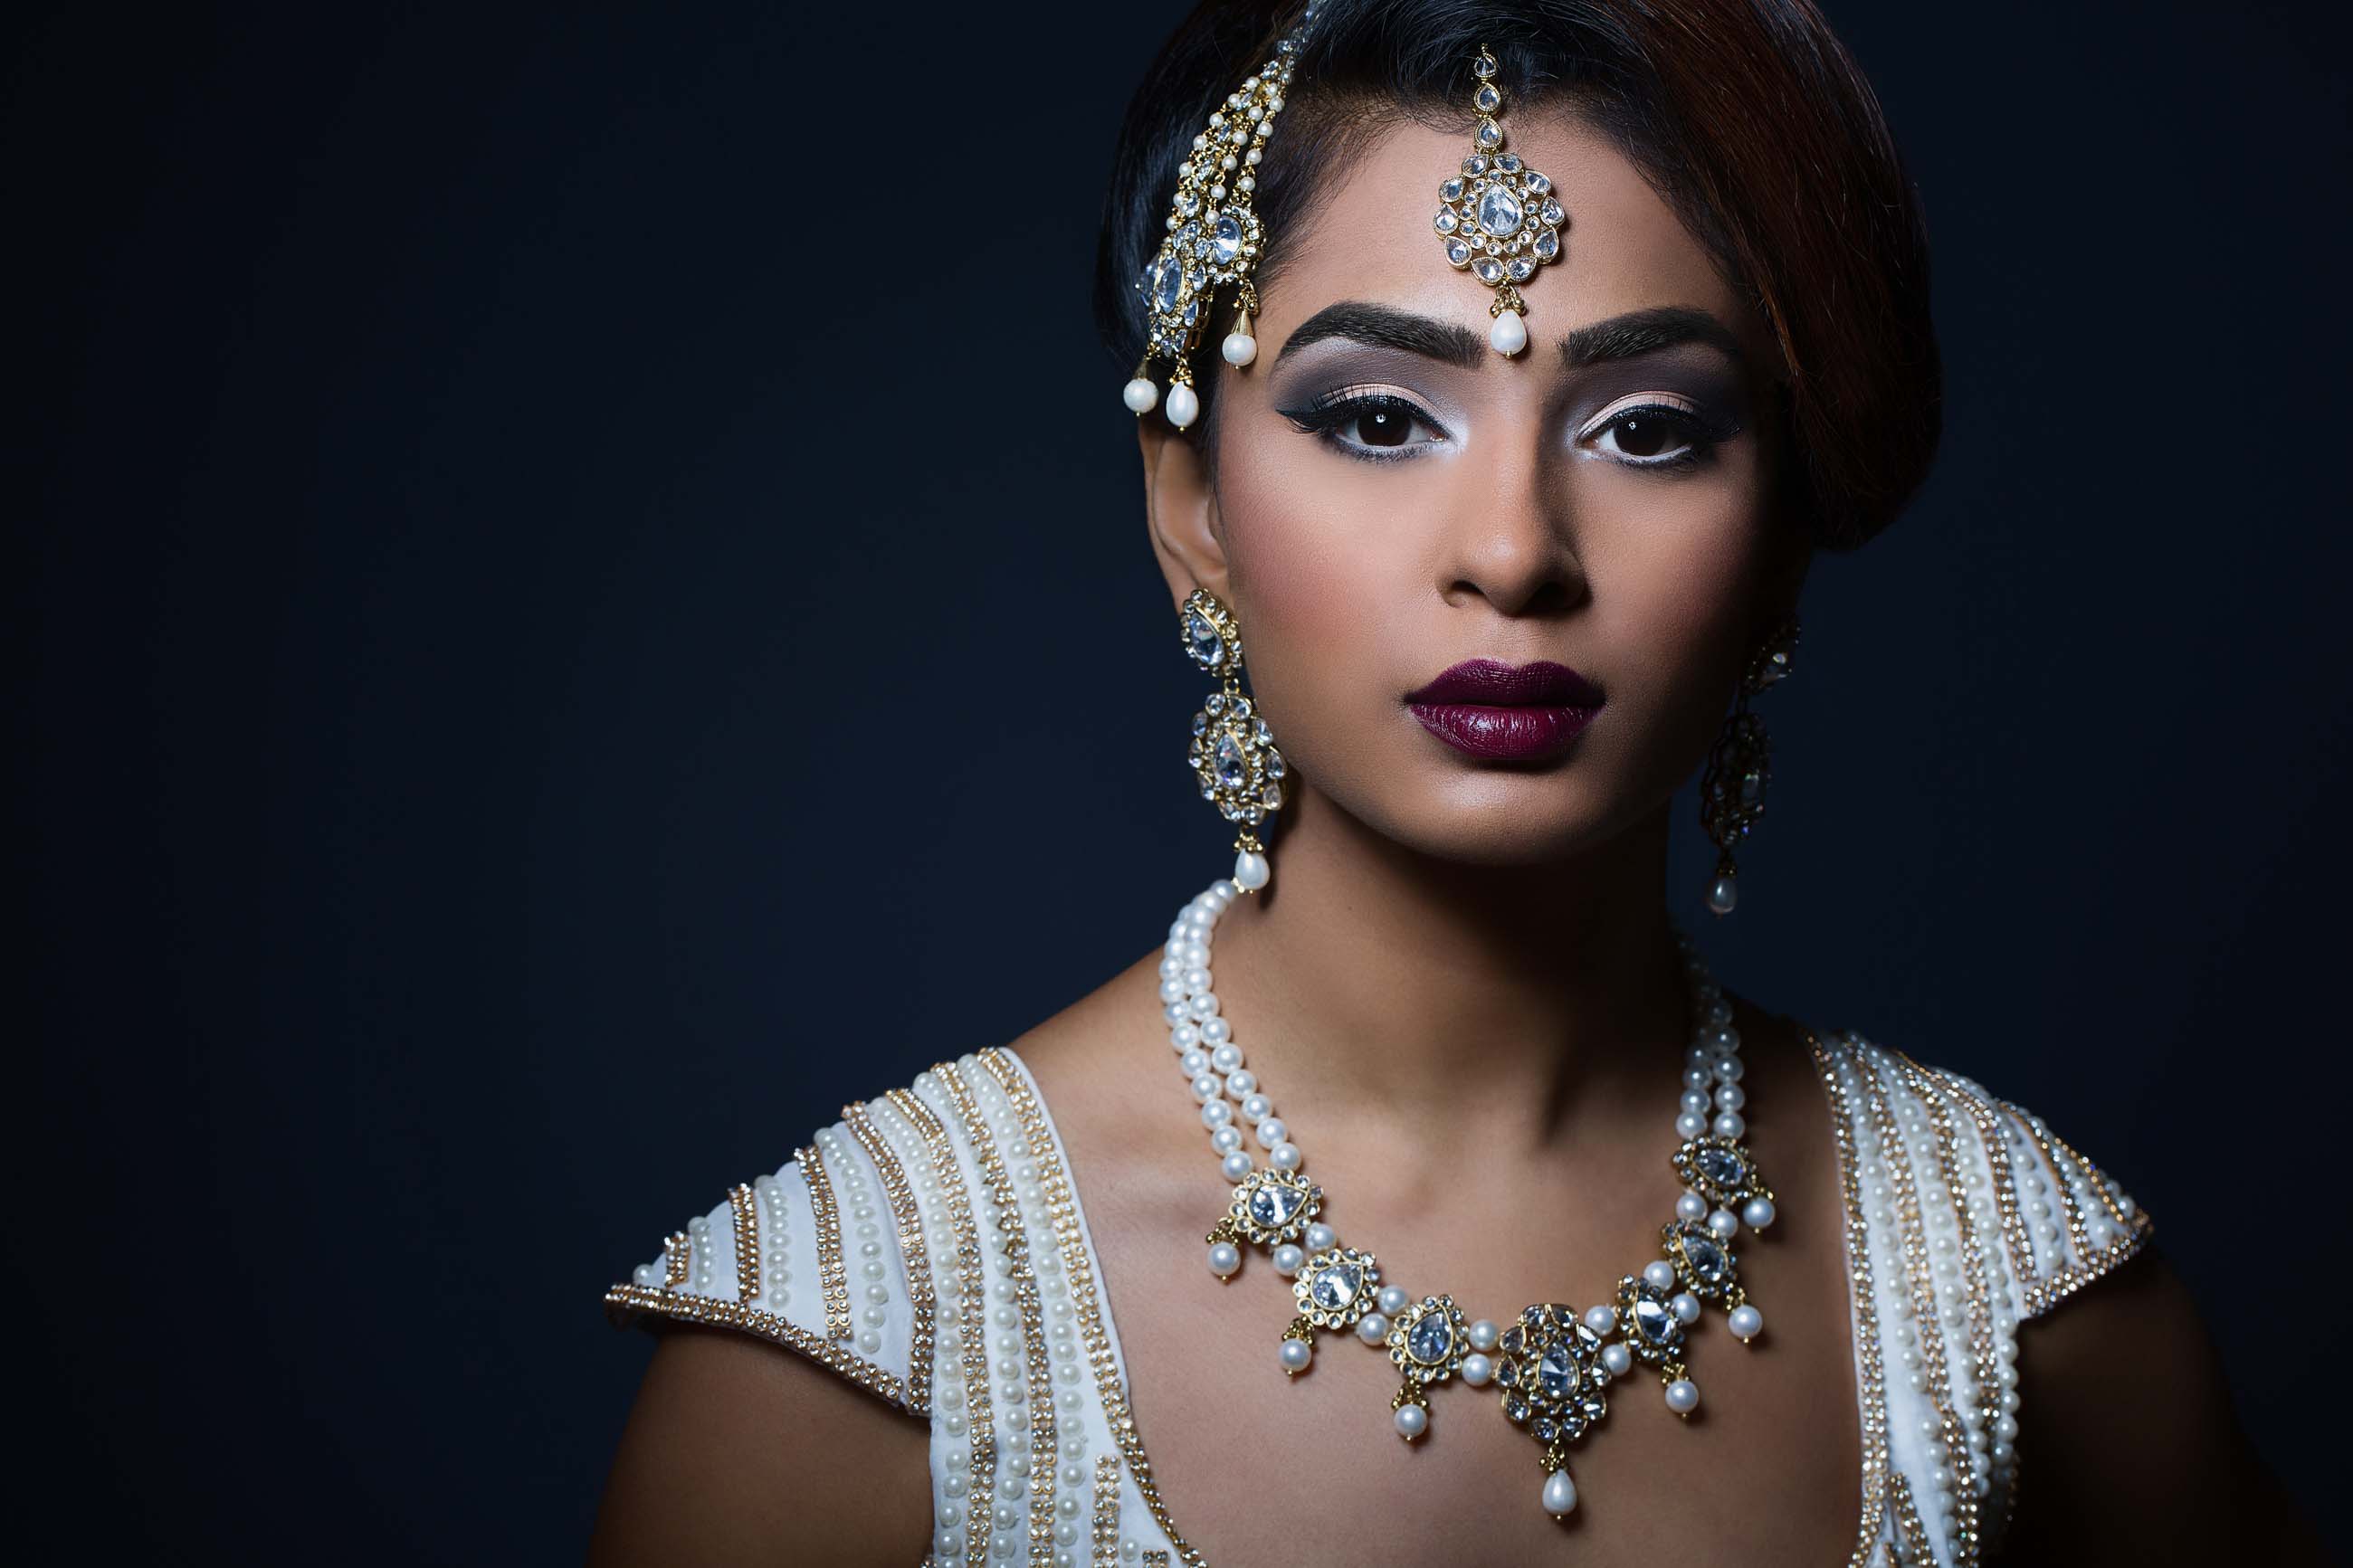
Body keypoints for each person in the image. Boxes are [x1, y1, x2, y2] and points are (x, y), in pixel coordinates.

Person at [586, 3, 2306, 1562]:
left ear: (1781, 537)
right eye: (1377, 415)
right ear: (1190, 506)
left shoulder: (2014, 1293)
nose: (1512, 552)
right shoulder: (869, 1347)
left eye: (1648, 428)